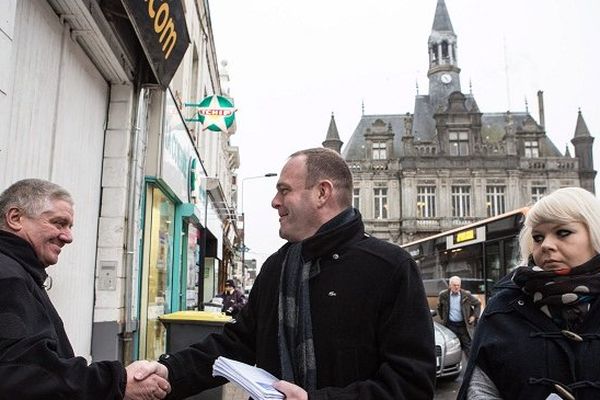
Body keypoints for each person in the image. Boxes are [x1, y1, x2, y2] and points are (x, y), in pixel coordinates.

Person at [146, 148, 436, 399]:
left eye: (284, 190)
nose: (274, 202)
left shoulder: (389, 267)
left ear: (322, 193)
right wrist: (168, 372)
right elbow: (234, 346)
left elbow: (411, 384)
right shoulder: (277, 268)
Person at [0, 178, 170, 399]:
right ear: (15, 218)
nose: (68, 237)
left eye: (69, 226)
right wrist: (116, 382)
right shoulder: (9, 278)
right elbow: (24, 375)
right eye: (58, 223)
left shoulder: (19, 273)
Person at [458, 187, 600, 400]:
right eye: (538, 237)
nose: (546, 245)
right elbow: (480, 391)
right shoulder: (501, 310)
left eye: (563, 232)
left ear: (595, 234)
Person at [437, 275, 481, 357]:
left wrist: (474, 316)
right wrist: (443, 318)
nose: (457, 287)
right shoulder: (443, 295)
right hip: (450, 326)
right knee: (452, 348)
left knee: (469, 348)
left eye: (458, 285)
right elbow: (439, 307)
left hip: (463, 326)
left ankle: (471, 367)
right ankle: (455, 365)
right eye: (454, 285)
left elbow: (477, 304)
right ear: (450, 285)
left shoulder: (466, 295)